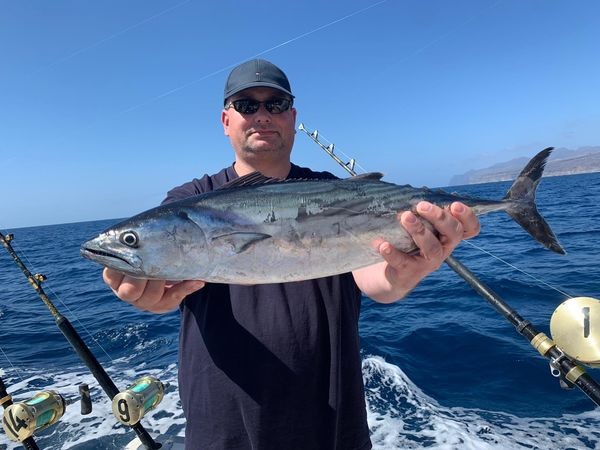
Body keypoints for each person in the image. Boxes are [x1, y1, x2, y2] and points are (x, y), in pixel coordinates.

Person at [103, 59, 480, 450]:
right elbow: (165, 281)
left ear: (293, 117)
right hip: (225, 430)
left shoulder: (334, 190)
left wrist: (405, 274)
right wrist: (152, 295)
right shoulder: (189, 200)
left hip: (333, 425)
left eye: (276, 104)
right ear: (226, 120)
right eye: (247, 105)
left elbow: (376, 279)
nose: (262, 115)